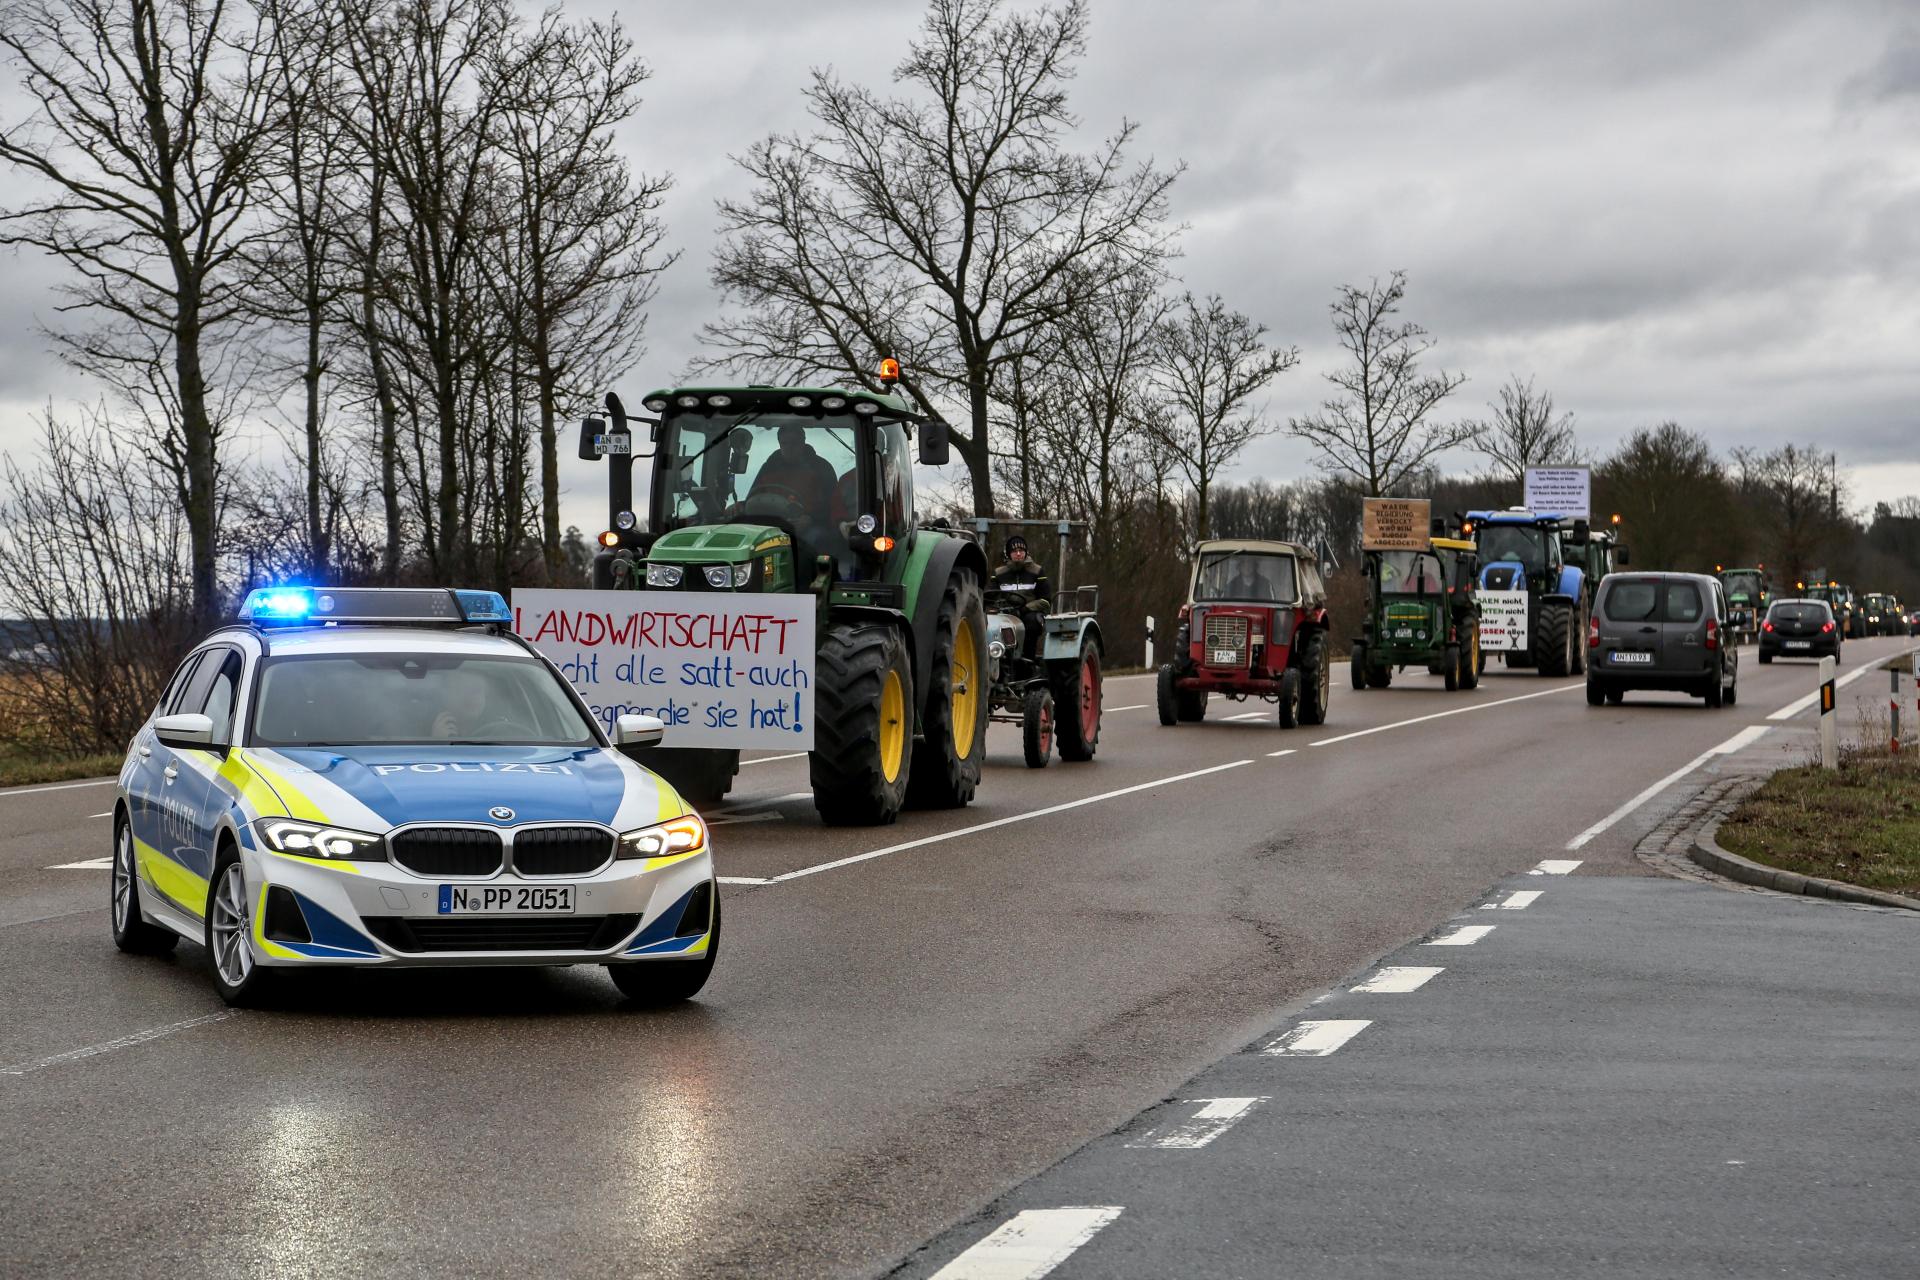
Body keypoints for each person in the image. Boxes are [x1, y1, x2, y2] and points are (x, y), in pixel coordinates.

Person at [747, 422, 836, 514]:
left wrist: (811, 519)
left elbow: (834, 505)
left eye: (794, 443)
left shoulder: (821, 468)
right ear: (779, 443)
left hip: (810, 524)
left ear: (803, 442)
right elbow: (753, 498)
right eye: (784, 443)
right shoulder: (769, 468)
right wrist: (740, 506)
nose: (789, 448)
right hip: (773, 521)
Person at [992, 534, 1052, 659]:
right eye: (1014, 551)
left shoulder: (1037, 571)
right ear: (1008, 554)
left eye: (1021, 551)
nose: (1018, 554)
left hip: (1029, 612)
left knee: (1031, 622)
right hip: (1006, 614)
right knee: (992, 626)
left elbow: (1046, 601)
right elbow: (991, 597)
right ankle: (999, 658)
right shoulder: (998, 574)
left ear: (1026, 552)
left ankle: (1028, 660)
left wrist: (1025, 608)